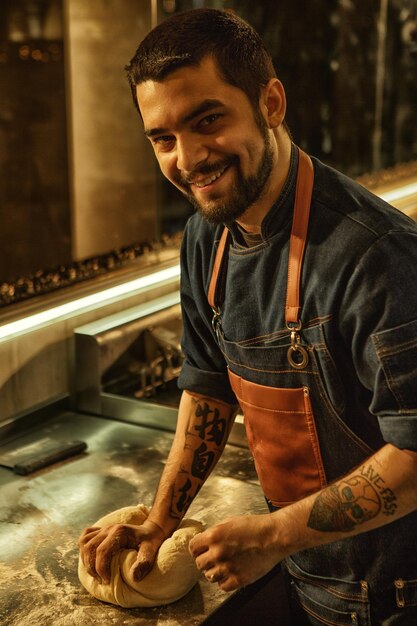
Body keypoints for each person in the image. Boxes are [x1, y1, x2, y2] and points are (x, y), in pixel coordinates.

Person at [78, 8, 417, 624]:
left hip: (396, 595)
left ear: (272, 102)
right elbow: (208, 386)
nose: (187, 159)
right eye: (162, 138)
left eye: (208, 120)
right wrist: (161, 518)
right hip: (305, 574)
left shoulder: (375, 255)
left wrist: (272, 535)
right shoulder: (206, 241)